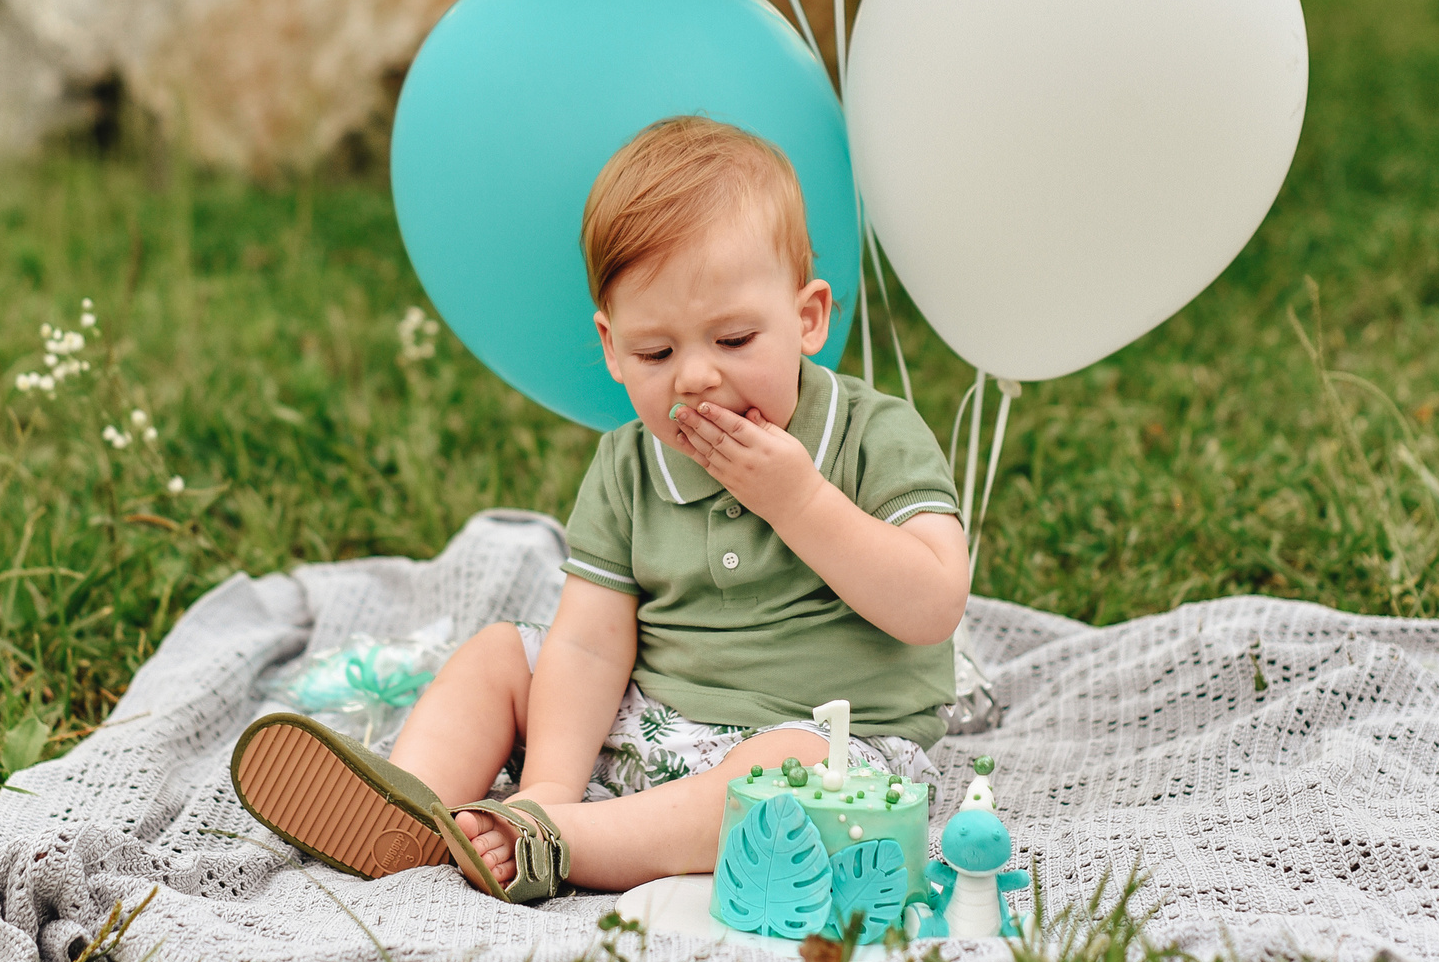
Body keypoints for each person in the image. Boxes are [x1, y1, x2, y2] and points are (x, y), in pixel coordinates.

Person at [229, 117, 970, 900]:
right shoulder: (629, 464)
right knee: (501, 656)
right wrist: (551, 780)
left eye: (735, 339)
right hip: (652, 726)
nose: (695, 379)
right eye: (657, 353)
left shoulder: (873, 435)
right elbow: (587, 650)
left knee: (781, 784)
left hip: (828, 739)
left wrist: (800, 500)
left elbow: (931, 605)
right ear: (613, 348)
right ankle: (413, 810)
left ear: (808, 318)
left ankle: (571, 842)